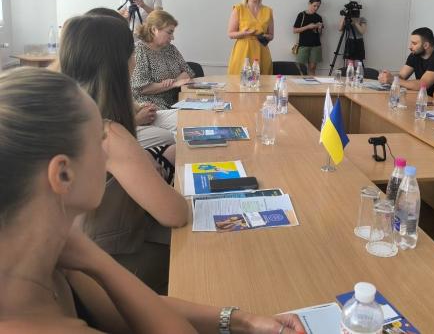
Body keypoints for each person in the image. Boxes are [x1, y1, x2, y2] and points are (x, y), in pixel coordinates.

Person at [0, 68, 306, 333]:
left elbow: (117, 309)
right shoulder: (29, 318)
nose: (107, 153)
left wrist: (245, 321)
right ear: (63, 174)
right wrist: (98, 260)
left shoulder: (48, 253)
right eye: (99, 141)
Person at [59, 15, 188, 291]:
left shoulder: (67, 113)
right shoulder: (108, 134)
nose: (135, 61)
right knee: (204, 250)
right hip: (107, 264)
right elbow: (176, 214)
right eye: (132, 53)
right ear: (122, 62)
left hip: (82, 251)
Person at [85, 7, 176, 148]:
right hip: (121, 128)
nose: (133, 60)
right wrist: (136, 120)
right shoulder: (96, 81)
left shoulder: (113, 73)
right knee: (169, 137)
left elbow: (124, 104)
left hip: (134, 118)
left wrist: (140, 108)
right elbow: (98, 130)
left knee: (182, 120)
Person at [131, 10, 195, 110]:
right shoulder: (139, 51)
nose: (172, 37)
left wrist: (172, 81)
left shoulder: (170, 49)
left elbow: (188, 73)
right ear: (154, 30)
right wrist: (174, 84)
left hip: (176, 100)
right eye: (169, 32)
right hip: (152, 105)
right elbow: (142, 88)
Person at [378, 27, 434, 96]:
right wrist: (387, 76)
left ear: (426, 45)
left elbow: (423, 84)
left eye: (414, 43)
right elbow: (402, 76)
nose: (410, 47)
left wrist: (393, 80)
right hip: (422, 97)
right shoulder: (415, 54)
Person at [227, 0, 274, 75]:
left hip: (262, 50)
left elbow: (271, 35)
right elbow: (230, 34)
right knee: (240, 80)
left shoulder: (268, 10)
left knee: (263, 80)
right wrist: (243, 33)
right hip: (243, 50)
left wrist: (264, 36)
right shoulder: (238, 9)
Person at [293, 0, 323, 75]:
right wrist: (308, 27)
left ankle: (312, 82)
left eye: (318, 6)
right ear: (309, 3)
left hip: (316, 45)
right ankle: (301, 82)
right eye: (314, 5)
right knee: (300, 68)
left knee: (312, 68)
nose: (316, 8)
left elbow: (320, 34)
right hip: (303, 45)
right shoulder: (301, 15)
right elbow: (294, 30)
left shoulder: (319, 17)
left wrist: (319, 29)